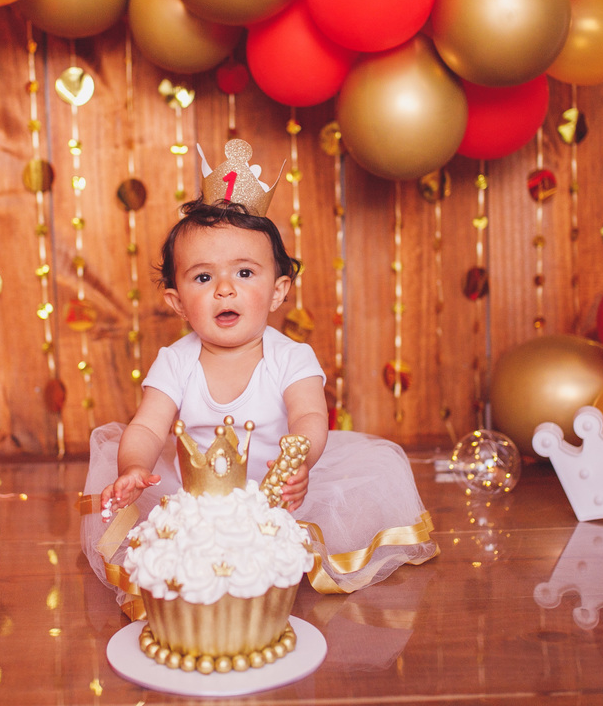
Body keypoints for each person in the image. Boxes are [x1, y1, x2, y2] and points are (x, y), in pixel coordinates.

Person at [80, 140, 437, 611]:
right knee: (157, 529)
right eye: (203, 278)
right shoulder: (176, 360)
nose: (225, 288)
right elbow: (147, 425)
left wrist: (300, 463)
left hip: (275, 488)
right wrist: (133, 467)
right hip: (197, 494)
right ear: (177, 302)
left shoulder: (291, 358)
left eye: (245, 273)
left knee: (339, 502)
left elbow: (309, 416)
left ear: (276, 291)